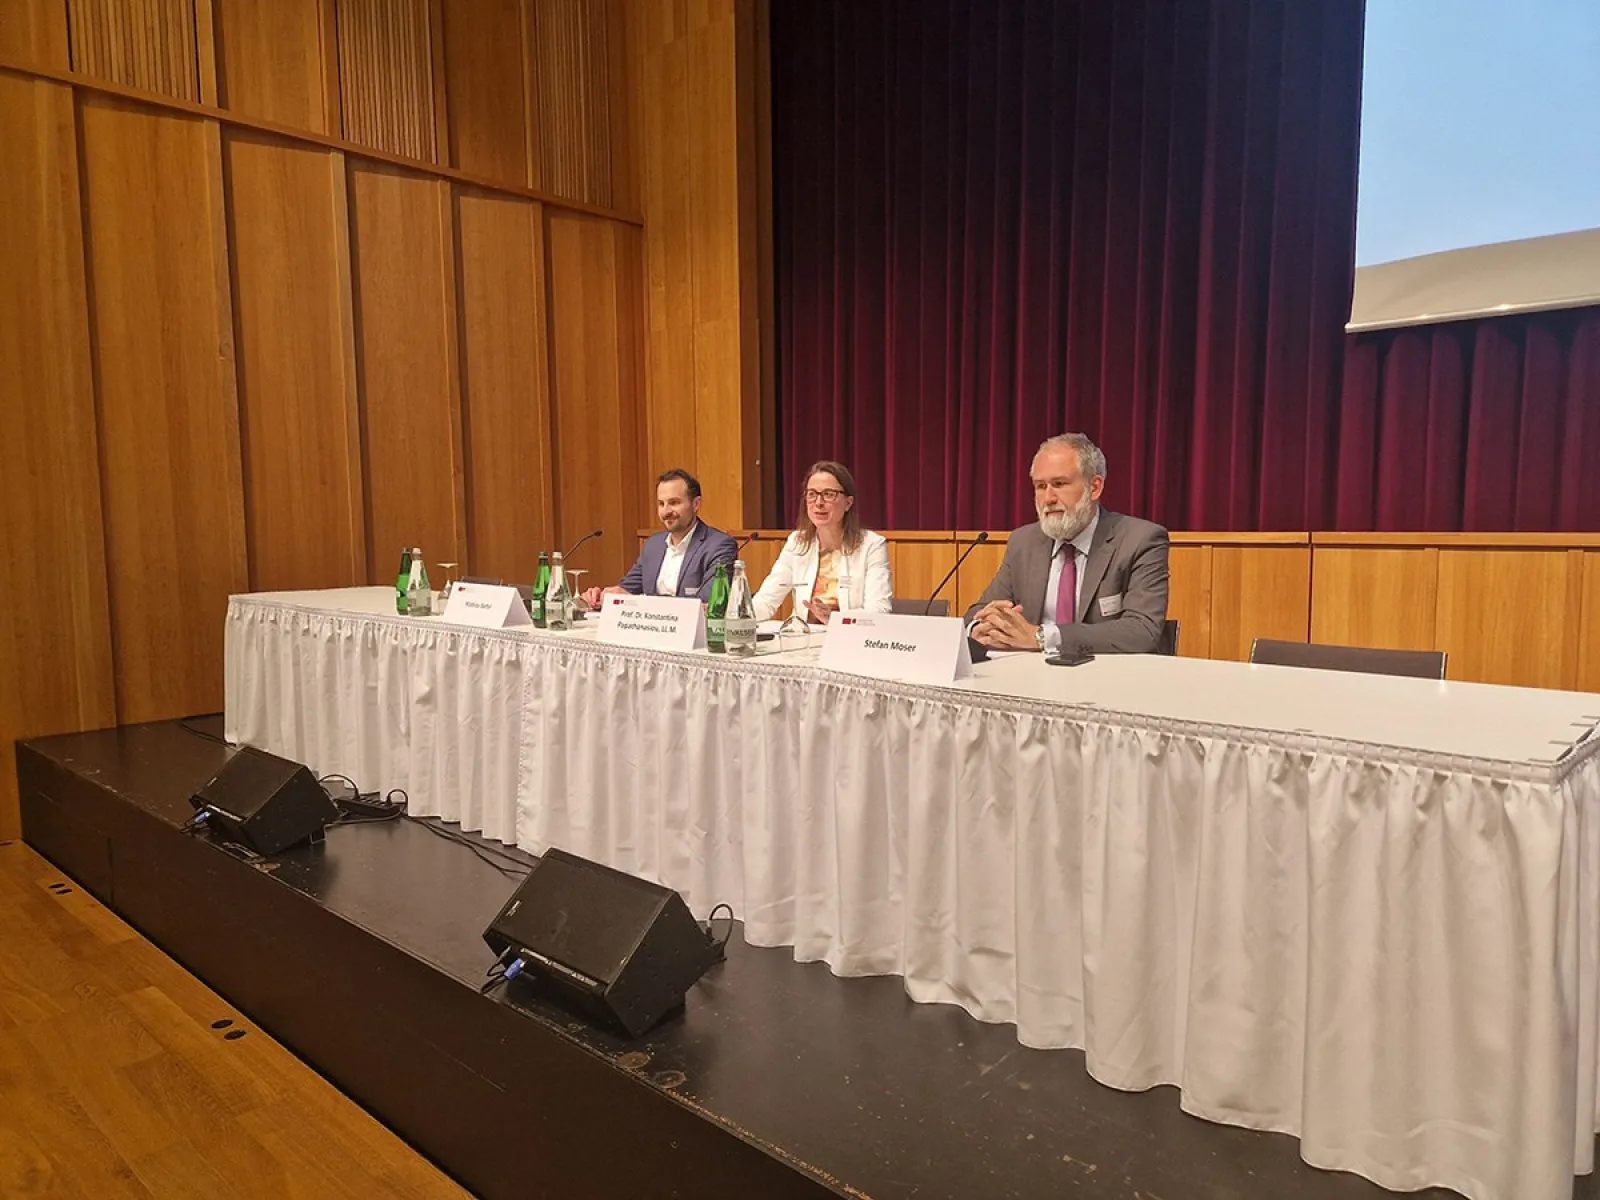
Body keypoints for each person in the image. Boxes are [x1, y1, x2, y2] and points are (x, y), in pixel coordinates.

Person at [966, 433, 1168, 655]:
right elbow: (978, 611)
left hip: (1107, 680)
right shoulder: (1023, 542)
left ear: (1094, 488)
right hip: (1030, 679)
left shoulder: (1140, 540)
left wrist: (1042, 637)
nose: (1048, 498)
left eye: (1059, 484)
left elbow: (1142, 631)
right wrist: (980, 628)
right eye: (1040, 486)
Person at [751, 461, 893, 622]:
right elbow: (766, 600)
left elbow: (879, 613)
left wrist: (834, 618)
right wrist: (735, 620)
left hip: (850, 640)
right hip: (804, 641)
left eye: (828, 494)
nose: (818, 502)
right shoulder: (797, 542)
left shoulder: (872, 545)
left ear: (848, 503)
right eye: (812, 494)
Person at [582, 469, 737, 607]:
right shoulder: (653, 544)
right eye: (661, 504)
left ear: (696, 504)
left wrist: (642, 603)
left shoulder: (720, 545)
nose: (666, 511)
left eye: (674, 503)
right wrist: (602, 596)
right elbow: (627, 590)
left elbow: (708, 603)